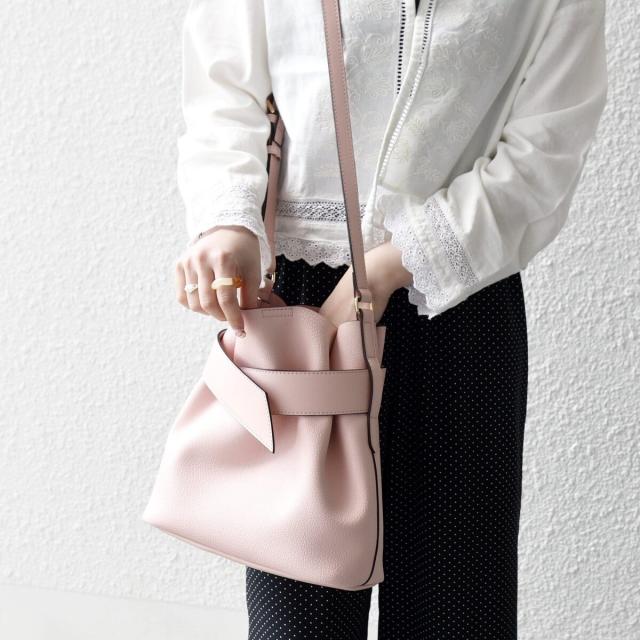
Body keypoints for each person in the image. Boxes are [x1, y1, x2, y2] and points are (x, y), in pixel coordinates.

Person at [173, 1, 608, 638]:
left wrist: (378, 273)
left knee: (458, 612)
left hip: (460, 304)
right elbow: (225, 83)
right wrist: (228, 220)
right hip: (306, 310)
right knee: (300, 617)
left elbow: (545, 154)